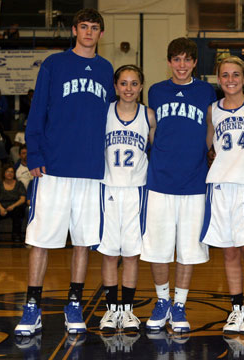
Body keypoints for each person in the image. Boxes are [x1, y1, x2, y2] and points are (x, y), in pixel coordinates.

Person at [14, 8, 116, 336]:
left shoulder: (105, 69)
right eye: (83, 26)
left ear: (101, 33)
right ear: (75, 30)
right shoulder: (54, 64)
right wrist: (34, 154)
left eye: (94, 27)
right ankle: (32, 307)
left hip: (90, 170)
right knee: (41, 240)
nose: (88, 32)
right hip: (53, 168)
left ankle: (74, 303)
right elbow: (37, 110)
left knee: (83, 242)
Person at [140, 37, 216, 333]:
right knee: (157, 248)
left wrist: (200, 152)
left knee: (189, 249)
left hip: (194, 181)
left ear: (195, 62)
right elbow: (153, 128)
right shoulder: (157, 91)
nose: (182, 65)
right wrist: (164, 154)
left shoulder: (205, 90)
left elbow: (210, 125)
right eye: (176, 59)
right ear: (169, 61)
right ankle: (162, 302)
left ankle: (180, 304)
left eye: (187, 59)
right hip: (159, 181)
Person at [200, 56, 244, 335]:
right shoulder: (212, 110)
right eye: (225, 75)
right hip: (220, 185)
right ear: (217, 79)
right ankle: (237, 309)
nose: (230, 80)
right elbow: (206, 145)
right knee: (228, 252)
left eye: (236, 74)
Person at [98, 65, 156, 332]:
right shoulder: (104, 112)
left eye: (134, 83)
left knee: (131, 253)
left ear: (141, 86)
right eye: (124, 83)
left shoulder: (149, 115)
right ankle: (111, 311)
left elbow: (155, 150)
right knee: (110, 253)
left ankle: (128, 310)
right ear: (115, 86)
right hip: (107, 188)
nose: (129, 88)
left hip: (137, 190)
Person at [0, 164, 26, 242]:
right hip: (1, 206)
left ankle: (16, 235)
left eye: (11, 172)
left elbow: (22, 199)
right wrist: (1, 209)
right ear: (3, 173)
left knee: (19, 210)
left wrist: (13, 206)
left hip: (15, 206)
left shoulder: (19, 184)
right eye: (7, 172)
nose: (9, 173)